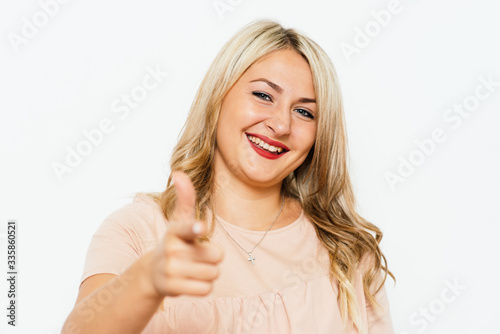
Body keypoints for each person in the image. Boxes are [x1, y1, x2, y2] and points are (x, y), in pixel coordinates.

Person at [62, 19, 394, 334]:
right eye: (263, 95)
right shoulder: (137, 229)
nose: (281, 125)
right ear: (219, 97)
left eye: (304, 112)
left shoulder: (348, 253)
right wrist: (148, 279)